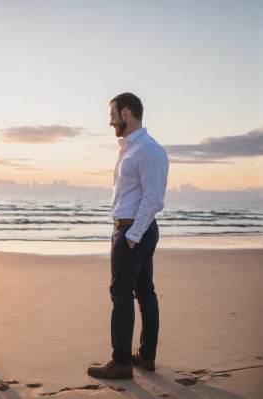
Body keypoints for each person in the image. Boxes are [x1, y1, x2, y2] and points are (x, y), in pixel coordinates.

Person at [87, 93, 169, 379]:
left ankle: (121, 362)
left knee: (122, 294)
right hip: (133, 229)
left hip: (135, 230)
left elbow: (154, 199)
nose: (110, 121)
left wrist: (131, 236)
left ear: (125, 113)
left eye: (112, 114)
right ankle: (146, 356)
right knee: (144, 292)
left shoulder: (148, 150)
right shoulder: (130, 149)